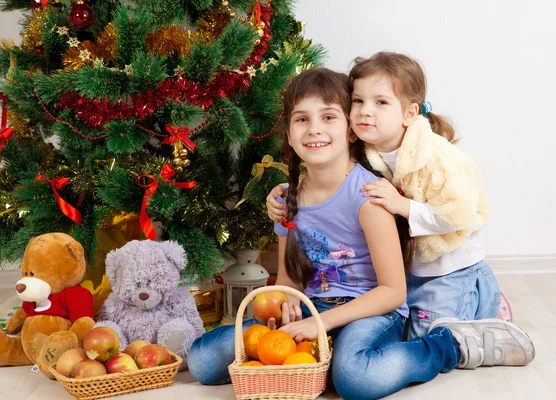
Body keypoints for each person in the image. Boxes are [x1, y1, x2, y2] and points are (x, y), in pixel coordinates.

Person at [188, 67, 534, 400]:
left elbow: (393, 292)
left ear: (351, 130)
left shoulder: (368, 196)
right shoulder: (287, 198)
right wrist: (288, 302)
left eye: (328, 117)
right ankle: (322, 360)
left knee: (356, 379)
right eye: (302, 119)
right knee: (204, 361)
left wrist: (318, 324)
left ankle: (451, 344)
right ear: (289, 134)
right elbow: (290, 279)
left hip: (370, 312)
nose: (314, 129)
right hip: (314, 309)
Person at [267, 52, 513, 340]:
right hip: (412, 266)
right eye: (358, 101)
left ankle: (485, 307)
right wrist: (283, 191)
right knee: (403, 327)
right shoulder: (371, 148)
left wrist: (403, 206)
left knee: (424, 335)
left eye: (380, 102)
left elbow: (460, 216)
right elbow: (326, 170)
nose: (365, 111)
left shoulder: (440, 159)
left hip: (450, 267)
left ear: (410, 113)